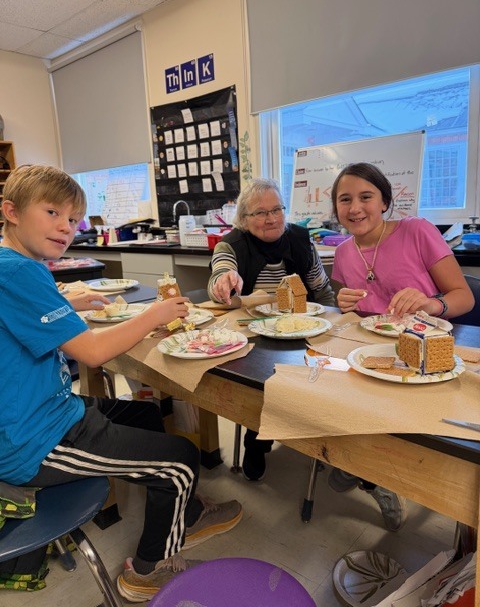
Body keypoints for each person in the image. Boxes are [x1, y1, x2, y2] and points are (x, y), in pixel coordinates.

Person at [0, 165, 243, 603]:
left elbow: (24, 315)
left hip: (50, 411)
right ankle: (148, 570)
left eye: (73, 219)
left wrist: (69, 299)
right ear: (11, 211)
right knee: (183, 458)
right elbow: (92, 353)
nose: (65, 227)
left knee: (147, 412)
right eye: (52, 211)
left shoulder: (13, 264)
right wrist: (154, 315)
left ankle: (181, 508)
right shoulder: (19, 272)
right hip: (33, 442)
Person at [329, 161, 474, 531]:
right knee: (329, 393)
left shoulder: (417, 231)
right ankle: (358, 466)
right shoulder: (344, 252)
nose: (355, 207)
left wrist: (432, 303)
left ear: (385, 202)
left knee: (387, 419)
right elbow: (350, 306)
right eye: (345, 200)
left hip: (423, 353)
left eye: (366, 197)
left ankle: (380, 474)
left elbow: (464, 298)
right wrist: (342, 301)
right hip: (368, 355)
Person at [207, 177, 335, 481]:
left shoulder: (301, 240)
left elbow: (323, 289)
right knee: (260, 374)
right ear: (243, 219)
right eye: (260, 213)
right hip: (254, 334)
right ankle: (257, 435)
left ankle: (315, 432)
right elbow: (219, 276)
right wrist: (224, 281)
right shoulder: (231, 244)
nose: (271, 218)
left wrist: (334, 321)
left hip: (304, 328)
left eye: (277, 209)